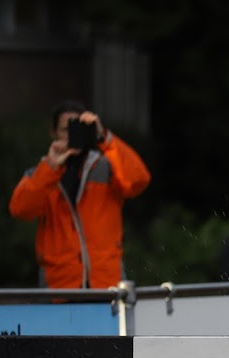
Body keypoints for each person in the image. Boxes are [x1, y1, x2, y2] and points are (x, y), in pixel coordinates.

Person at [9, 100, 151, 289]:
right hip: (60, 287)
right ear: (53, 133)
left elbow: (139, 180)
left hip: (106, 285)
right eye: (65, 129)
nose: (72, 134)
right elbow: (20, 209)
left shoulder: (107, 168)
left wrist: (105, 138)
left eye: (79, 128)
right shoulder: (41, 174)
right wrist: (51, 167)